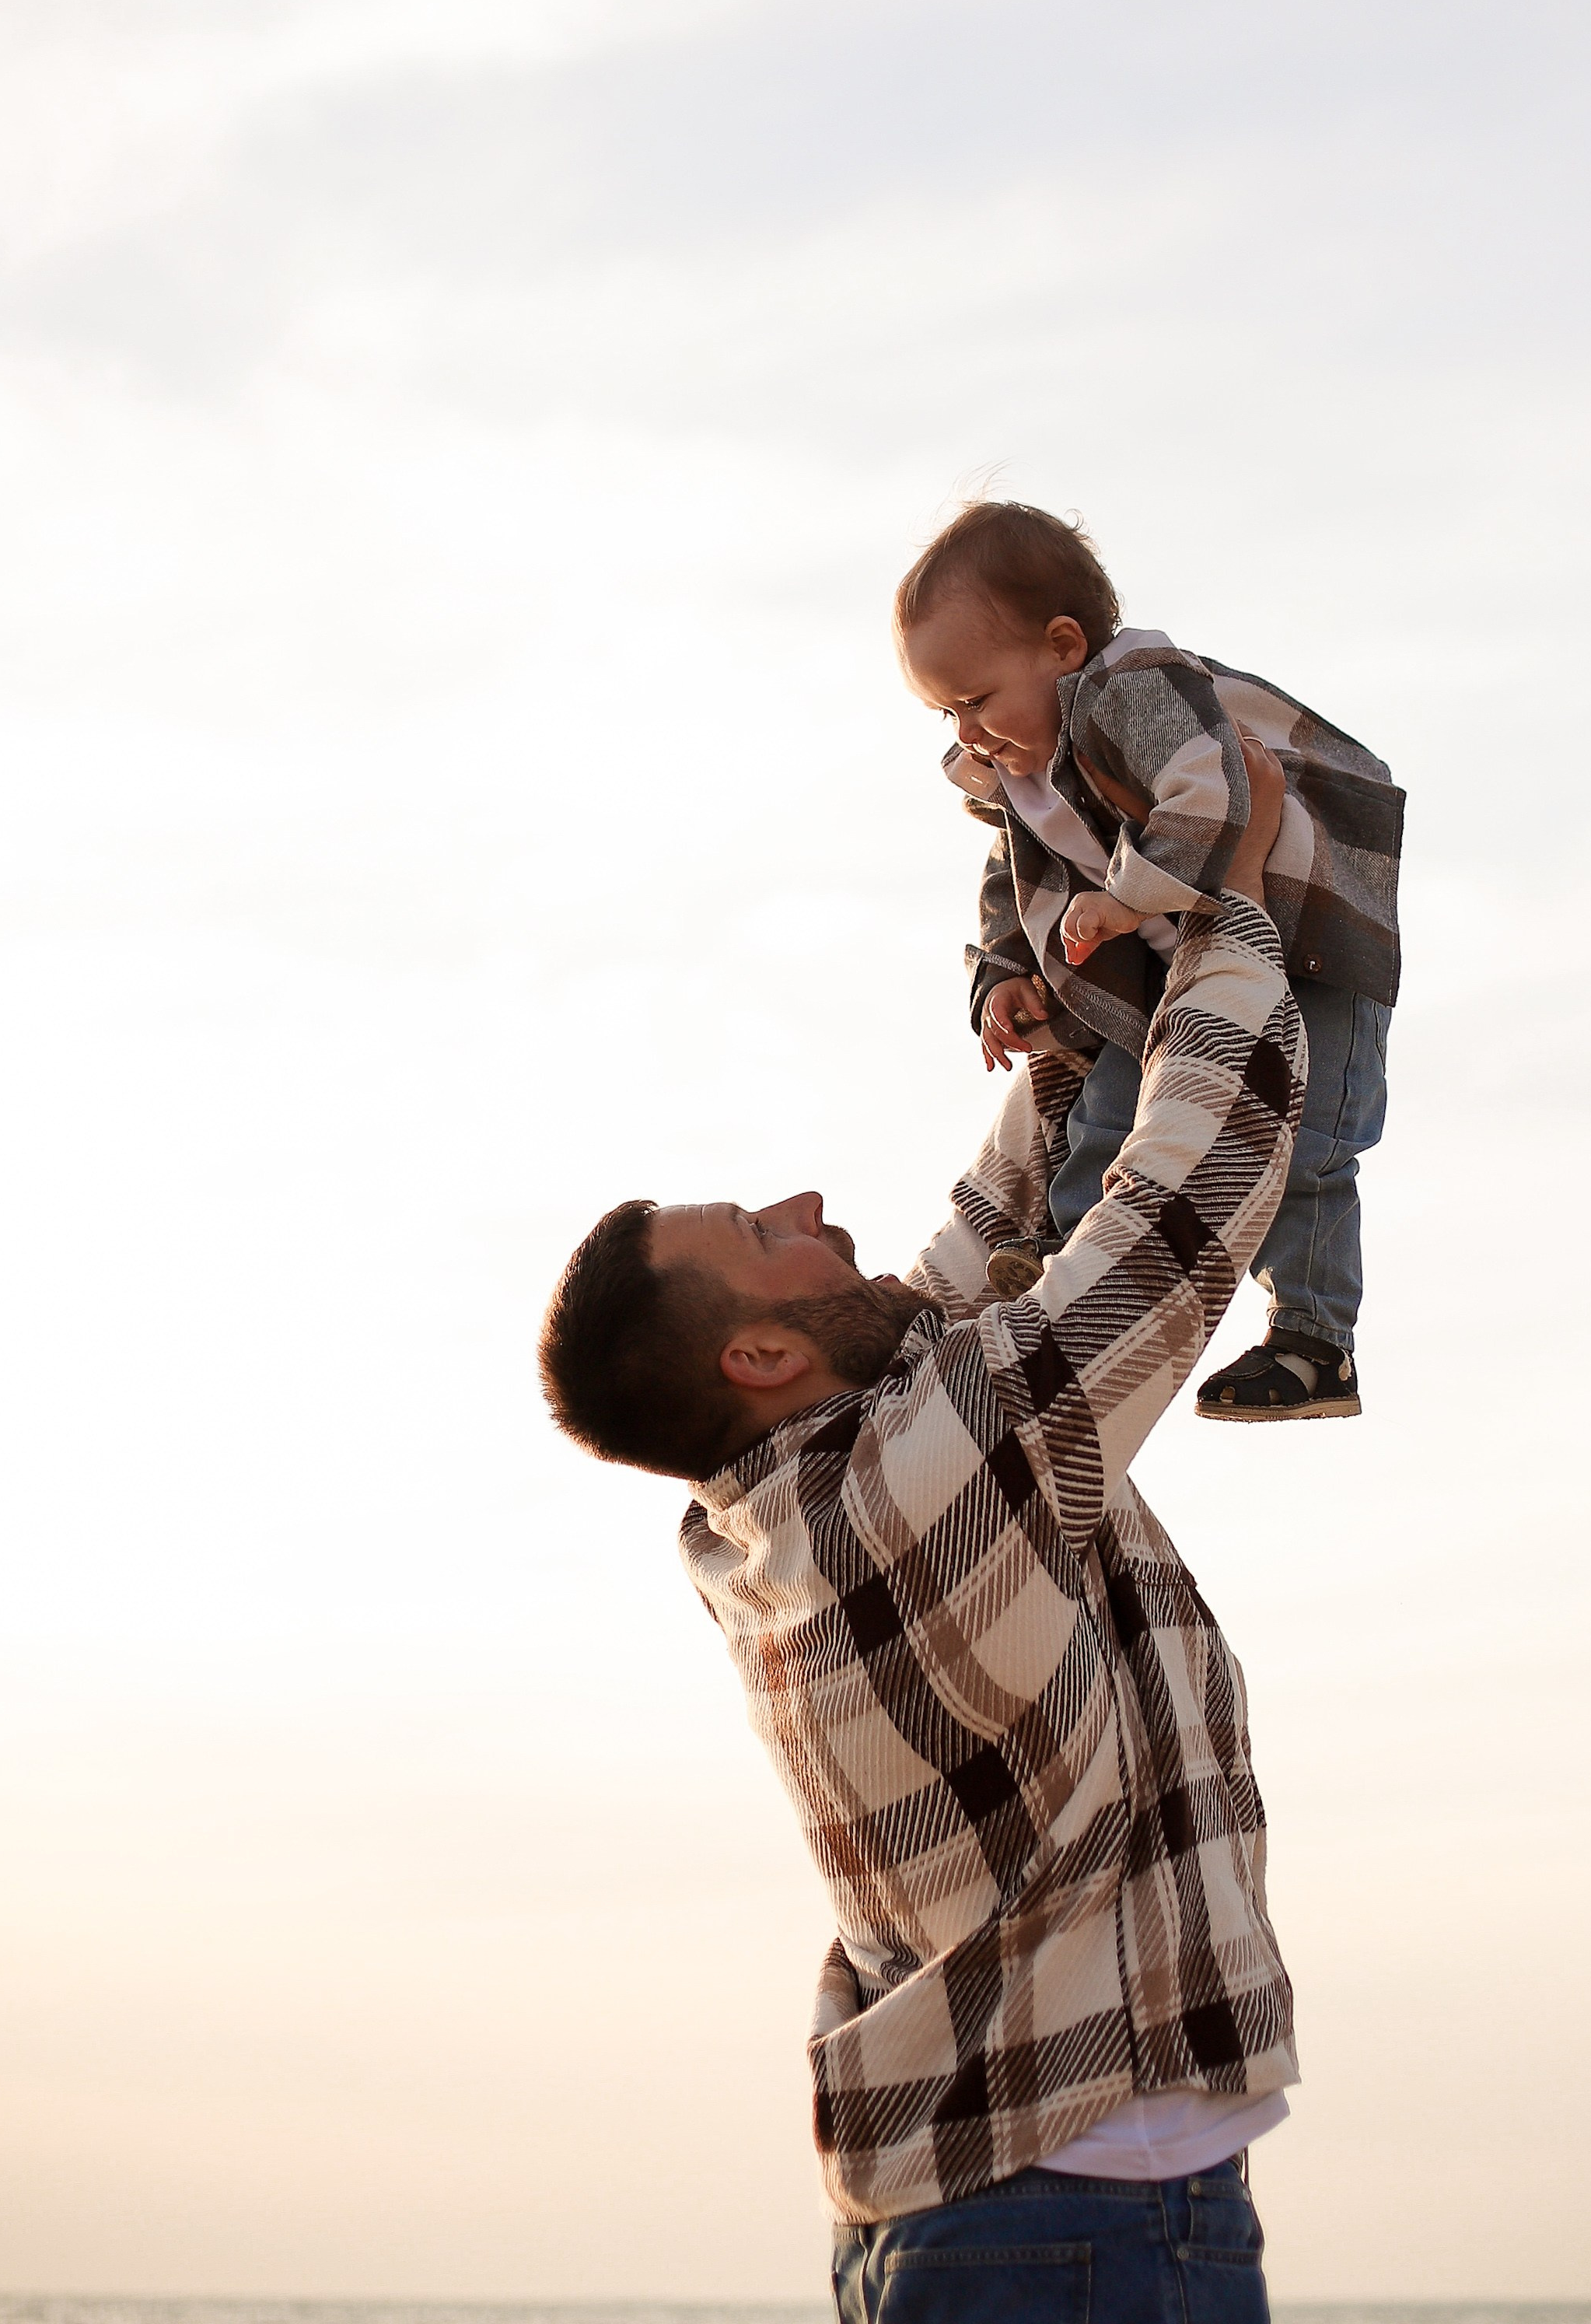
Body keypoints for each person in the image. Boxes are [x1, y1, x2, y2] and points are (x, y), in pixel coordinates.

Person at [538, 740, 1307, 2319]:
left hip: (1001, 2214)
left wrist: (1062, 1027)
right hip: (1082, 2228)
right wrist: (1228, 916)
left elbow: (969, 1255)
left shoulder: (775, 1507)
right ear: (761, 1356)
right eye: (765, 1235)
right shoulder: (919, 1477)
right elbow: (1189, 1194)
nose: (812, 1204)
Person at [897, 499, 1404, 1419]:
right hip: (1175, 978)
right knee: (1105, 1115)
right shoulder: (1020, 771)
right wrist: (1001, 972)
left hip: (1306, 948)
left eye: (975, 699)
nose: (966, 733)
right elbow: (1013, 876)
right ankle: (1062, 1270)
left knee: (1306, 1150)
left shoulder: (1132, 684)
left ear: (1060, 646)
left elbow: (1214, 792)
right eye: (944, 712)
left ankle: (1313, 1341)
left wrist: (1125, 896)